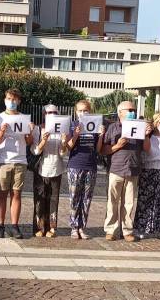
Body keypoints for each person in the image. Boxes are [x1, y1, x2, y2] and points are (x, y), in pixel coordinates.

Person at [0, 88, 34, 239]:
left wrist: (29, 132)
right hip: (3, 160)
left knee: (16, 194)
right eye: (9, 98)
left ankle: (15, 225)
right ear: (5, 99)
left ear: (19, 101)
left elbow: (29, 142)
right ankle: (0, 225)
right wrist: (2, 132)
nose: (12, 102)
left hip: (20, 160)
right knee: (1, 193)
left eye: (14, 99)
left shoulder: (24, 118)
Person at [101, 101, 143, 242]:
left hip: (133, 169)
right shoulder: (112, 128)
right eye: (129, 109)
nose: (132, 112)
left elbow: (146, 148)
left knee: (129, 203)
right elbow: (103, 150)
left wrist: (148, 134)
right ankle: (111, 230)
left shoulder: (139, 127)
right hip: (116, 169)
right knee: (112, 202)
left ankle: (127, 231)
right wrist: (117, 146)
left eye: (134, 109)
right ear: (120, 112)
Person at [133, 112, 160, 241]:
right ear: (156, 124)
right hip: (149, 169)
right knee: (145, 200)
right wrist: (146, 135)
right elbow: (147, 150)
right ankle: (141, 228)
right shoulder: (150, 137)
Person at [63, 100, 103, 239]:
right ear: (76, 112)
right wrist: (75, 135)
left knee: (86, 199)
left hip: (91, 166)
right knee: (74, 198)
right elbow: (68, 146)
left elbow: (98, 149)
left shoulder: (95, 125)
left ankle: (82, 227)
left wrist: (101, 135)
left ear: (89, 111)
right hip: (75, 165)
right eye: (80, 110)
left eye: (85, 110)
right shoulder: (73, 125)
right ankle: (74, 227)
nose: (82, 113)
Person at [31, 104, 67, 238]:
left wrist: (63, 142)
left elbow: (63, 153)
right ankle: (39, 227)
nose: (51, 114)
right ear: (43, 114)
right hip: (41, 168)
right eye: (48, 112)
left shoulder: (61, 130)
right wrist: (43, 141)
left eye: (54, 112)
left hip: (56, 168)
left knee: (54, 199)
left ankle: (52, 227)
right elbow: (35, 151)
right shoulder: (38, 129)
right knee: (39, 200)